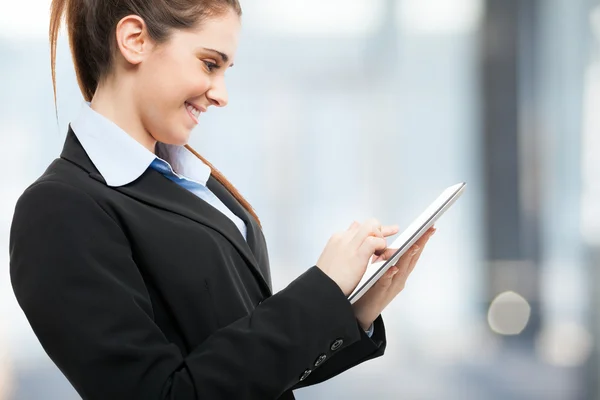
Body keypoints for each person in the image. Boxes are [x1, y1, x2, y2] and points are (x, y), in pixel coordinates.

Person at [8, 0, 436, 399]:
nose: (221, 93)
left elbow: (245, 362)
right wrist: (321, 291)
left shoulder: (197, 184)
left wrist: (350, 308)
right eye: (209, 64)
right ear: (134, 40)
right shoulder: (59, 211)